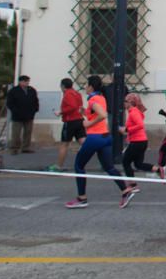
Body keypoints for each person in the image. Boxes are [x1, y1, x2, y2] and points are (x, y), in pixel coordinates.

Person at [65, 75, 134, 209]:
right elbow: (97, 113)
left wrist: (88, 123)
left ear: (91, 86)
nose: (85, 87)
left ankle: (82, 198)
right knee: (109, 167)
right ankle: (125, 190)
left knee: (79, 166)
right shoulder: (101, 98)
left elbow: (102, 115)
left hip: (94, 137)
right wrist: (85, 112)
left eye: (86, 85)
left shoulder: (92, 100)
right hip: (105, 137)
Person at [49, 78, 85, 172]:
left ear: (63, 86)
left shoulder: (68, 94)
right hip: (79, 119)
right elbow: (79, 106)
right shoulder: (77, 93)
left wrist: (60, 112)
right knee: (83, 141)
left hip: (70, 121)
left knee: (64, 144)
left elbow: (72, 106)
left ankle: (59, 165)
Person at [120, 93, 154, 192]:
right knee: (138, 164)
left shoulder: (134, 112)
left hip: (137, 141)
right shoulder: (133, 111)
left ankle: (133, 185)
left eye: (125, 101)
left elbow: (140, 125)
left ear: (131, 102)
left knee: (126, 162)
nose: (124, 103)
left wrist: (127, 130)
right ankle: (157, 169)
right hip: (140, 141)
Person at [6, 75, 39, 154]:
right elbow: (9, 103)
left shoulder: (32, 90)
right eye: (25, 81)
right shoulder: (13, 91)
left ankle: (25, 147)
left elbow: (35, 101)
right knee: (16, 133)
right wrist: (15, 111)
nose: (27, 83)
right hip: (17, 116)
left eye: (28, 81)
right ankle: (14, 148)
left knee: (28, 132)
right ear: (20, 82)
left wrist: (35, 110)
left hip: (29, 115)